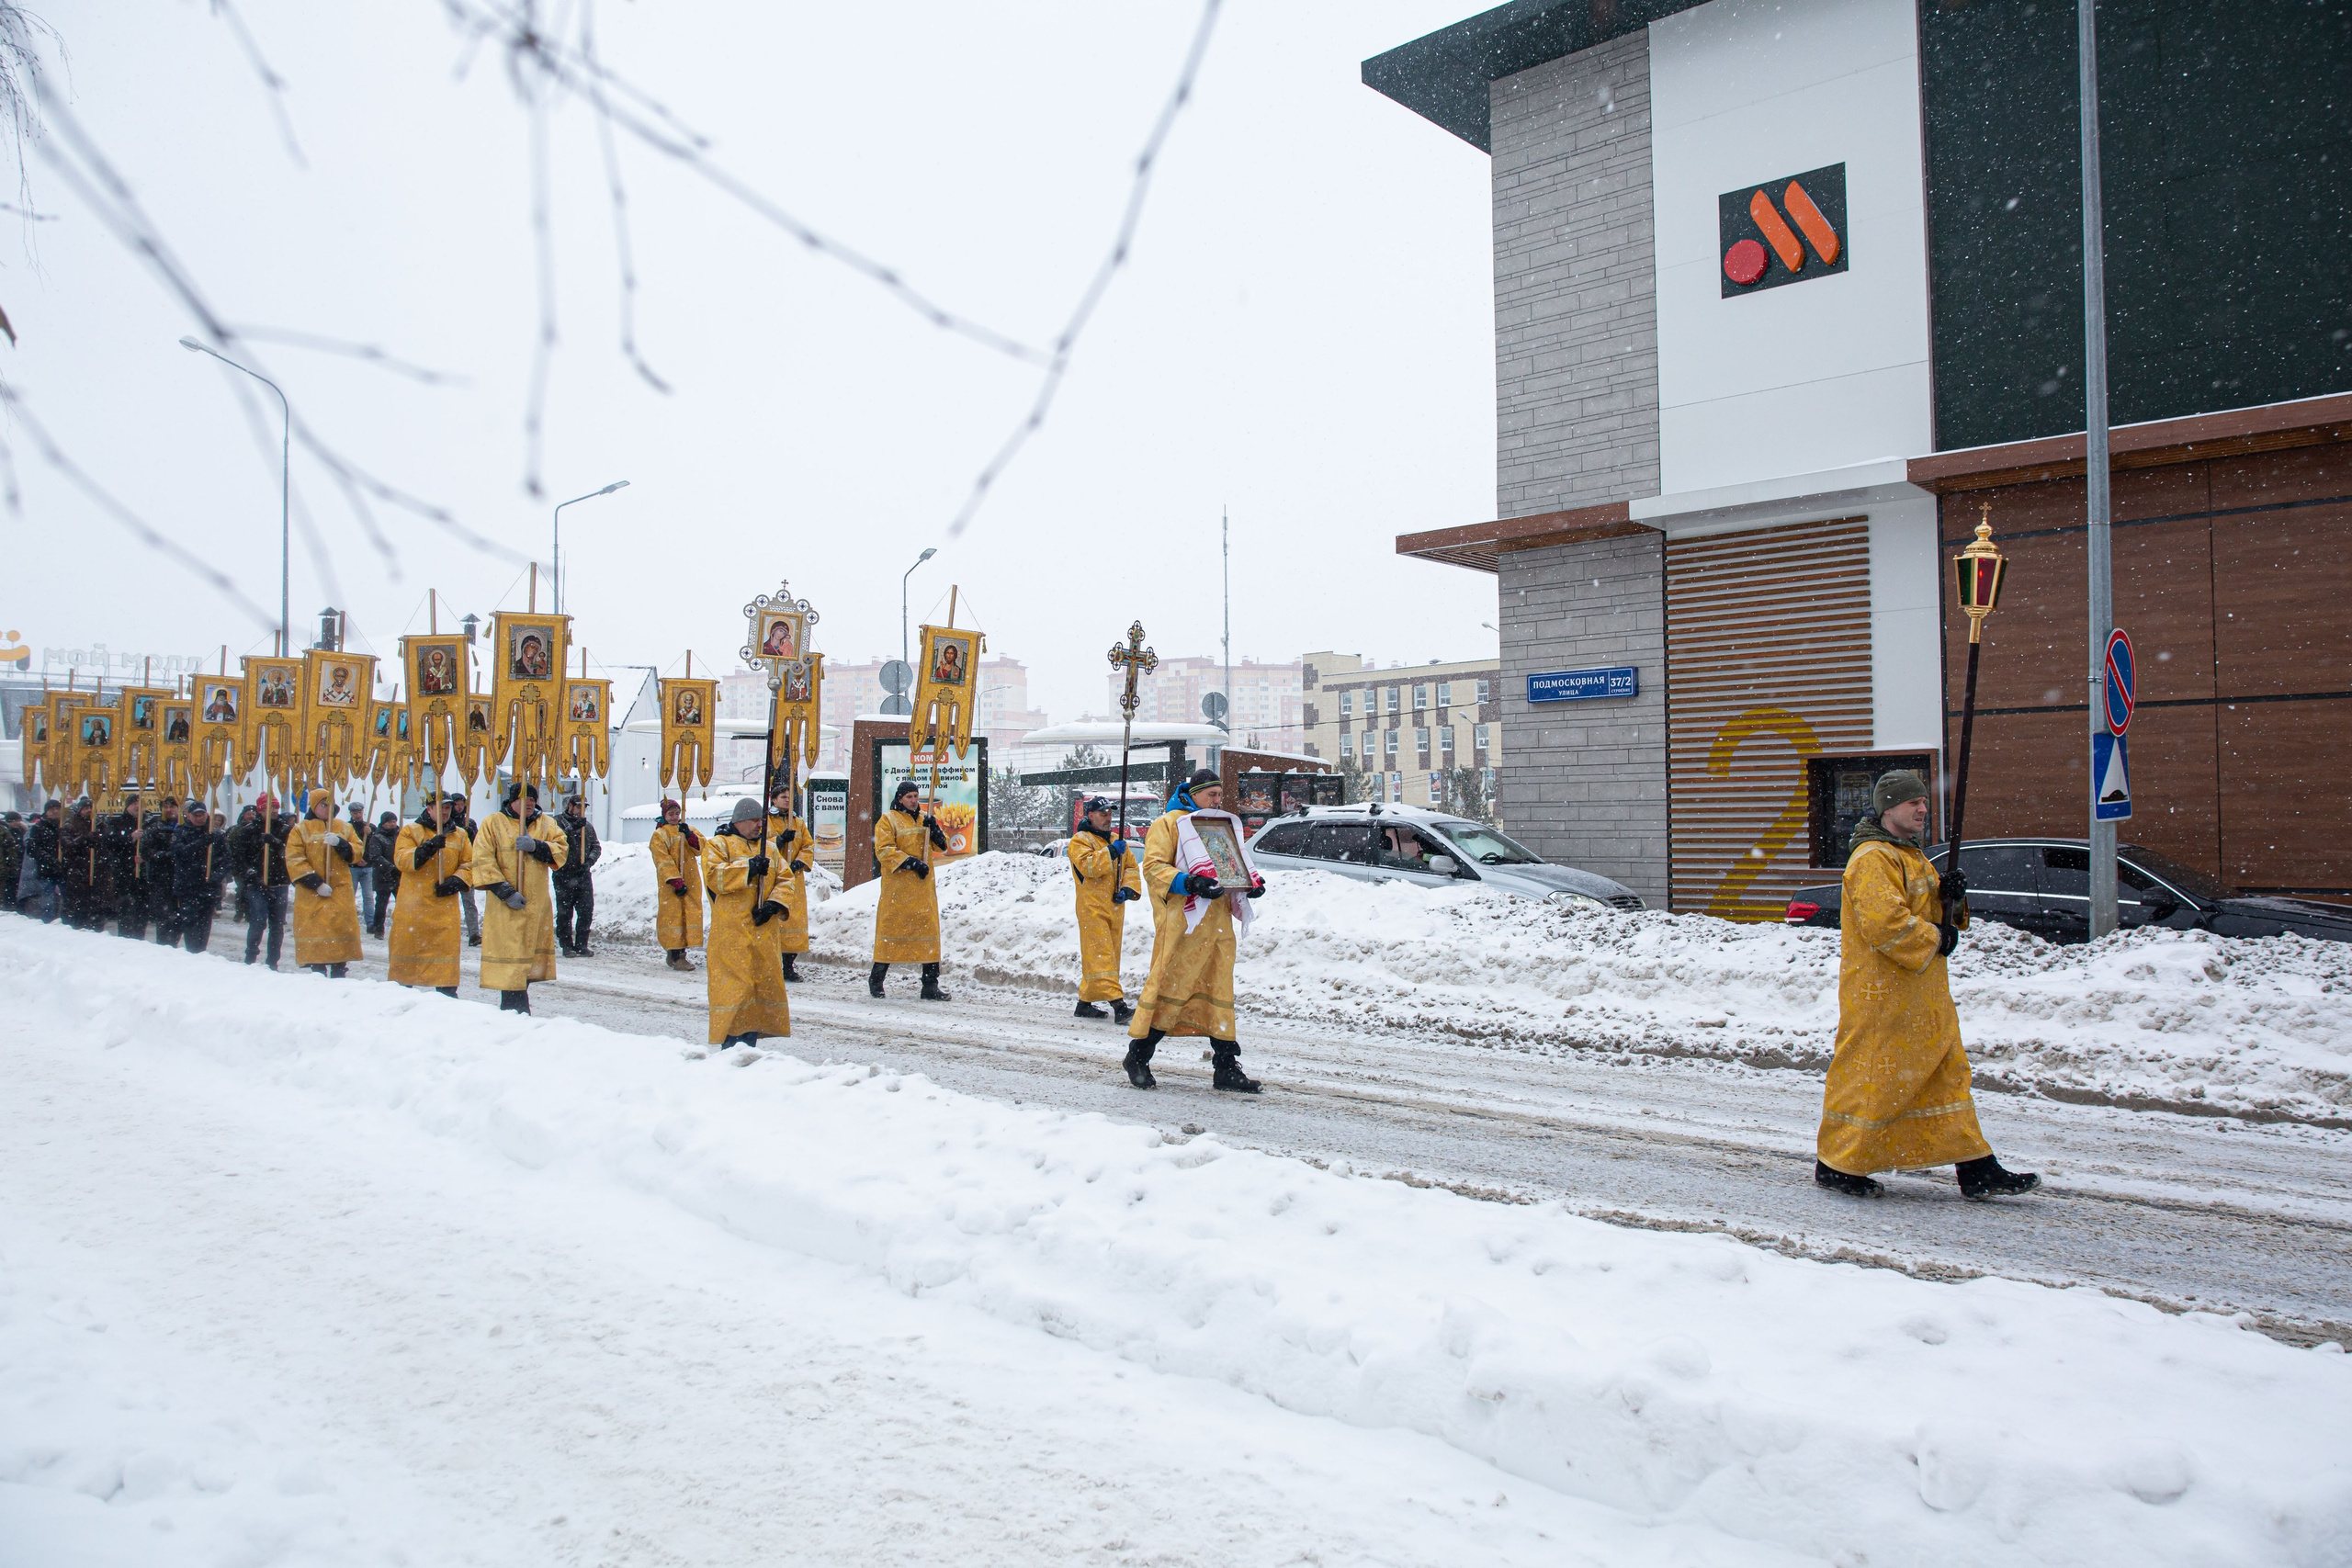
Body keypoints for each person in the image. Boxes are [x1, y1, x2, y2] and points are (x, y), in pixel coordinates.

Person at [1815, 769, 2039, 1201]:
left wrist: (1950, 899)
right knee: (1875, 1079)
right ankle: (1836, 1164)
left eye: (1923, 801)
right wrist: (1937, 936)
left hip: (1924, 993)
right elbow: (1886, 924)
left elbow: (1930, 912)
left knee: (1945, 1075)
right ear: (1888, 807)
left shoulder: (1910, 854)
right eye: (1912, 802)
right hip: (1884, 996)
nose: (1922, 808)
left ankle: (1976, 1167)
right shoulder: (1873, 858)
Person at [1125, 769, 1267, 1094]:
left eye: (1220, 795)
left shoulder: (1219, 827)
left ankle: (1226, 1067)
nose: (1218, 801)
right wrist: (1189, 882)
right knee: (1171, 989)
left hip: (1218, 925)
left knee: (1219, 992)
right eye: (1211, 795)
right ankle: (1138, 1056)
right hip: (1183, 925)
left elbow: (1233, 866)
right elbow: (1154, 867)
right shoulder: (1169, 824)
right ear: (1194, 794)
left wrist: (1248, 885)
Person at [469, 780, 568, 1013]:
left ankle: (518, 1001)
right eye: (524, 800)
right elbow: (482, 858)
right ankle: (514, 1007)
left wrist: (537, 846)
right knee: (511, 959)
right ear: (512, 801)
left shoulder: (546, 823)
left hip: (535, 905)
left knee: (527, 961)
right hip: (507, 906)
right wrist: (505, 891)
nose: (529, 804)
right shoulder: (493, 823)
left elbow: (562, 849)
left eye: (533, 800)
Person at [701, 797, 791, 1047]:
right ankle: (730, 1043)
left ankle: (750, 1042)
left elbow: (786, 878)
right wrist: (748, 868)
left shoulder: (769, 849)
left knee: (758, 985)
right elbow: (713, 876)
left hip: (763, 931)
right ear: (738, 821)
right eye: (753, 820)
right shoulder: (719, 845)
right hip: (732, 933)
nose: (758, 825)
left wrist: (774, 904)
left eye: (760, 820)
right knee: (735, 988)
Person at [868, 779, 949, 1000]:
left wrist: (935, 830)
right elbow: (884, 850)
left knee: (929, 937)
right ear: (900, 798)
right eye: (909, 797)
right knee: (891, 935)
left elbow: (942, 847)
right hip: (898, 891)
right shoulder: (888, 820)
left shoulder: (925, 819)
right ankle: (877, 979)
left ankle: (930, 985)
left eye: (916, 796)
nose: (914, 800)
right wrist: (912, 863)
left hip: (923, 892)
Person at [1067, 796, 1143, 1022]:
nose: (1108, 818)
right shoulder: (1080, 841)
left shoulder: (1116, 840)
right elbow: (1089, 867)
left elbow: (1130, 867)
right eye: (1103, 813)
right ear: (1090, 815)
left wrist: (1128, 889)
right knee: (1102, 956)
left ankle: (1084, 1003)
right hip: (1092, 908)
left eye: (1110, 813)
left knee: (1104, 956)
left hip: (1114, 907)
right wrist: (1110, 852)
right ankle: (1119, 1006)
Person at [389, 791, 473, 996]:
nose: (445, 811)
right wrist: (427, 848)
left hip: (444, 911)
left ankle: (446, 998)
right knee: (407, 963)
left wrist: (456, 881)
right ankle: (402, 999)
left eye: (448, 807)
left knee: (444, 963)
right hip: (413, 910)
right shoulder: (410, 831)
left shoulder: (460, 835)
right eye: (441, 807)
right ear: (429, 808)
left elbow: (470, 863)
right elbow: (401, 860)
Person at [285, 786, 365, 978]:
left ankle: (339, 968)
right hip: (312, 893)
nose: (327, 808)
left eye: (330, 804)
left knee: (339, 929)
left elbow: (358, 851)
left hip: (339, 890)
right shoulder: (300, 829)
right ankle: (317, 970)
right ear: (314, 805)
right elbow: (294, 859)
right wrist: (315, 882)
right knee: (317, 932)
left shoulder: (344, 827)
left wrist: (341, 844)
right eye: (323, 804)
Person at [165, 801, 232, 953]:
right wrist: (201, 843)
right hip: (188, 886)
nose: (199, 818)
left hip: (208, 887)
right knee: (190, 922)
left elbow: (227, 860)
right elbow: (179, 853)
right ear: (188, 816)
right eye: (196, 815)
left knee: (204, 922)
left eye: (202, 815)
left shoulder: (216, 835)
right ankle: (192, 952)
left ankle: (201, 952)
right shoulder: (180, 833)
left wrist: (216, 876)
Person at [649, 797, 704, 972]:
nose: (674, 817)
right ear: (664, 815)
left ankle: (679, 952)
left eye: (677, 813)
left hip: (691, 879)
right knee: (674, 917)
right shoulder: (660, 835)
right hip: (671, 885)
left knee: (688, 916)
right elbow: (662, 860)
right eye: (671, 814)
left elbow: (701, 849)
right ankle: (677, 955)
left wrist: (689, 835)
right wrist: (675, 880)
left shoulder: (687, 829)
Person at [765, 784, 811, 983]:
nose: (787, 800)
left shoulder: (798, 823)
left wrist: (799, 862)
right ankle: (772, 964)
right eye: (783, 797)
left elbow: (808, 845)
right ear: (773, 800)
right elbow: (760, 845)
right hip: (774, 878)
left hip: (794, 879)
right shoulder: (764, 821)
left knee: (793, 922)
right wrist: (780, 840)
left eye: (790, 797)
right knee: (775, 922)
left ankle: (789, 965)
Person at [552, 791, 602, 957]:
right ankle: (566, 944)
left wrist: (589, 862)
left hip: (582, 874)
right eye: (578, 806)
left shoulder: (587, 827)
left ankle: (582, 944)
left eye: (584, 807)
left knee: (586, 909)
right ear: (570, 806)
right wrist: (571, 828)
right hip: (563, 873)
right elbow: (555, 840)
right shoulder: (558, 822)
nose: (581, 810)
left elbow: (596, 846)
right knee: (565, 911)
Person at [142, 797, 184, 945]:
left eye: (172, 806)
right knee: (164, 917)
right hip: (161, 878)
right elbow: (146, 851)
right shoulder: (154, 827)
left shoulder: (184, 827)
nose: (169, 810)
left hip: (181, 878)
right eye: (165, 807)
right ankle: (164, 945)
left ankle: (173, 943)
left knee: (180, 917)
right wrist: (166, 855)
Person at [60, 800, 104, 930]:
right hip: (77, 871)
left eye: (91, 807)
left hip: (96, 872)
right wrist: (84, 839)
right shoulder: (69, 826)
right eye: (85, 808)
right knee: (77, 905)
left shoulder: (99, 825)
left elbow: (106, 845)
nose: (89, 810)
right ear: (79, 810)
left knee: (96, 906)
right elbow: (68, 847)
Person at [17, 800, 62, 922]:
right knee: (48, 901)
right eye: (51, 809)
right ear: (46, 812)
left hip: (63, 869)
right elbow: (33, 848)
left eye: (57, 808)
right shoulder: (39, 828)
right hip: (46, 869)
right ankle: (48, 924)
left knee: (64, 900)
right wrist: (46, 858)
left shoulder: (65, 826)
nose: (55, 811)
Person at [364, 810, 401, 936]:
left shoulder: (400, 835)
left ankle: (403, 927)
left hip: (398, 875)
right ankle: (379, 929)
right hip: (383, 876)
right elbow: (375, 856)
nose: (392, 824)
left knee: (402, 902)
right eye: (390, 822)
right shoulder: (377, 837)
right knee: (381, 904)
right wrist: (390, 868)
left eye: (394, 821)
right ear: (383, 823)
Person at [0, 809, 22, 914]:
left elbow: (10, 851)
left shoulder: (4, 831)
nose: (18, 823)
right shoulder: (5, 831)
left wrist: (11, 867)